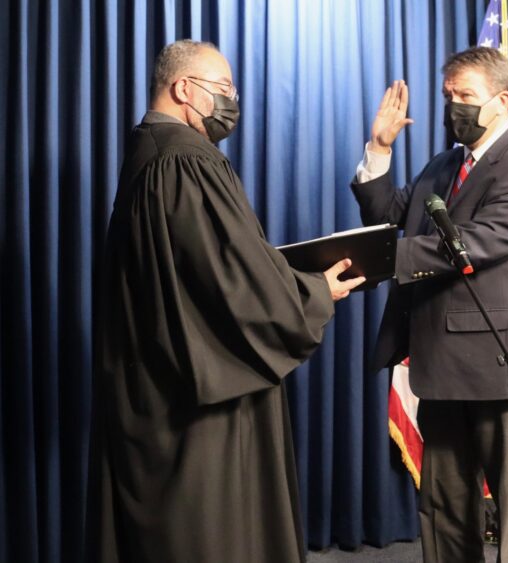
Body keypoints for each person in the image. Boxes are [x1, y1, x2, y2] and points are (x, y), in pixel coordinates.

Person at [89, 39, 364, 563]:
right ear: (184, 88)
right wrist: (313, 291)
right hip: (194, 405)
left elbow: (203, 268)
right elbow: (234, 286)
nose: (231, 100)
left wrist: (275, 271)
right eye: (223, 88)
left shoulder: (146, 152)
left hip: (149, 388)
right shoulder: (186, 162)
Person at [351, 47, 508, 562]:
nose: (453, 107)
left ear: (503, 100)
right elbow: (386, 213)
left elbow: (469, 244)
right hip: (441, 365)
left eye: (466, 96)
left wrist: (370, 261)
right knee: (444, 514)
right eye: (449, 96)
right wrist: (379, 148)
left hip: (504, 368)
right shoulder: (446, 164)